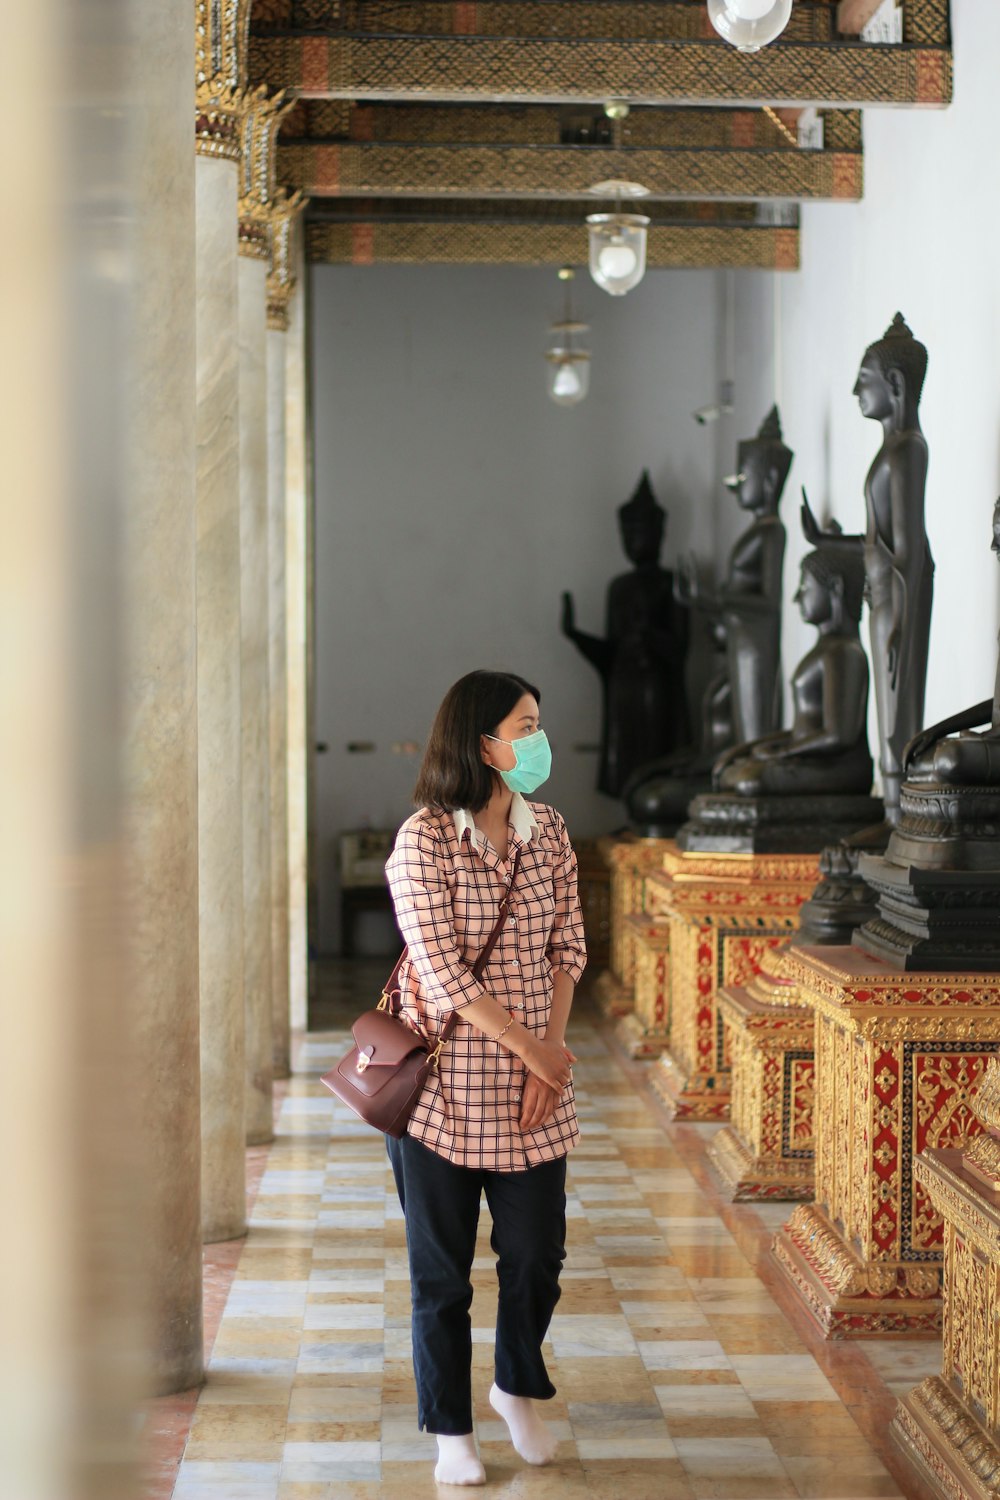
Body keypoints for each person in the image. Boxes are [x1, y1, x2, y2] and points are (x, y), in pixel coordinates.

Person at [384, 669, 586, 1487]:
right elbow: (438, 969)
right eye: (524, 724)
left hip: (535, 1090)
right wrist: (530, 1047)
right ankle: (450, 1431)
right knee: (441, 1275)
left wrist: (552, 1050)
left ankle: (513, 1386)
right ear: (483, 743)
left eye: (539, 723)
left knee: (537, 1255)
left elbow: (567, 946)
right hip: (439, 1095)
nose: (537, 740)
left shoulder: (553, 831)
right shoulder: (423, 839)